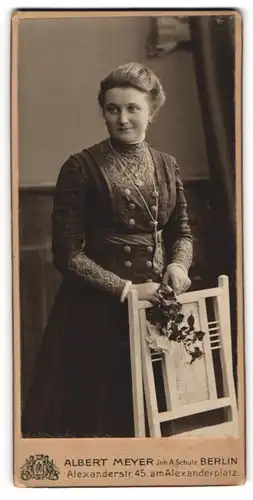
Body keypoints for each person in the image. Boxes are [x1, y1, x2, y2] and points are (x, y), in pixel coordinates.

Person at [22, 62, 193, 438]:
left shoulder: (167, 165)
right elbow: (67, 254)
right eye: (113, 108)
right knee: (104, 421)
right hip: (96, 313)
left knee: (155, 419)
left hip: (154, 308)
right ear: (103, 111)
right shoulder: (80, 168)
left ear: (152, 110)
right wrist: (127, 290)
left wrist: (178, 267)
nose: (122, 118)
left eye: (133, 108)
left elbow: (181, 232)